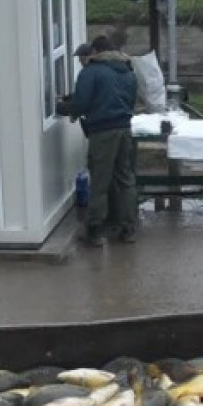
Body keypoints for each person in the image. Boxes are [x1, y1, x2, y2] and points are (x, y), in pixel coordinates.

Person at [57, 36, 138, 247]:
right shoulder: (128, 71)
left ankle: (94, 231)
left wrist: (63, 108)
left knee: (100, 181)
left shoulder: (91, 71)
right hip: (124, 129)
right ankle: (128, 228)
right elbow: (130, 100)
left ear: (95, 51)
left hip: (102, 131)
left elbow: (82, 103)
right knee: (125, 179)